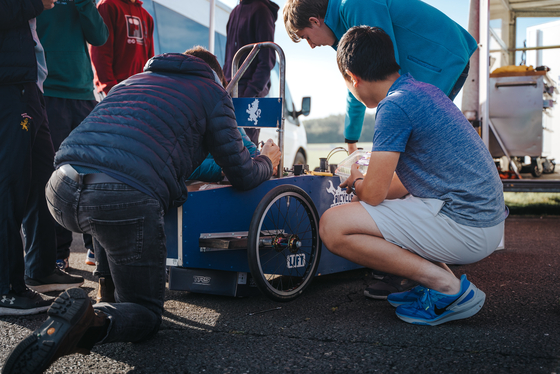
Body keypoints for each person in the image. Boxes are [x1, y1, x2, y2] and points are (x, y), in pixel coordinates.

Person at [2, 47, 281, 373]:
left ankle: (105, 292)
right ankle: (89, 320)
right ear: (217, 76)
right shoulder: (212, 92)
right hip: (120, 198)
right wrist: (267, 161)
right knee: (146, 313)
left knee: (104, 219)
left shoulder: (131, 82)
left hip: (61, 188)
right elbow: (243, 173)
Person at [319, 26, 505, 326]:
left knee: (332, 225)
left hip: (468, 225)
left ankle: (449, 290)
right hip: (483, 219)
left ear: (353, 78)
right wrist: (370, 186)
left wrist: (356, 180)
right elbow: (401, 184)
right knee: (387, 209)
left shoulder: (393, 107)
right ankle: (434, 285)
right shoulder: (422, 90)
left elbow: (375, 194)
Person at [283, 0, 477, 154]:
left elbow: (381, 70)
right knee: (413, 144)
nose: (311, 45)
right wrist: (351, 138)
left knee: (413, 143)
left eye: (307, 37)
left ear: (314, 21)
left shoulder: (355, 5)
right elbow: (358, 82)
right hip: (432, 63)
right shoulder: (345, 23)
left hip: (441, 56)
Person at [0, 0, 85, 317]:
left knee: (39, 179)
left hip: (30, 86)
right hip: (8, 87)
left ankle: (41, 268)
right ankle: (6, 289)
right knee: (9, 182)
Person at [37, 0, 109, 271]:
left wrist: (84, 5)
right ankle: (58, 252)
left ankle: (95, 246)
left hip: (83, 94)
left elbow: (99, 37)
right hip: (48, 92)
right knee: (54, 175)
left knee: (93, 172)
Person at [223, 0, 280, 145]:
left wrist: (248, 94)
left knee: (245, 148)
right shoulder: (234, 12)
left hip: (249, 95)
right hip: (230, 91)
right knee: (226, 145)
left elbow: (267, 60)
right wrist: (224, 87)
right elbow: (228, 57)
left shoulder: (262, 10)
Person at [90, 0, 154, 96]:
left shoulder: (147, 17)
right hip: (115, 90)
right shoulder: (108, 5)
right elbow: (100, 52)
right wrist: (109, 88)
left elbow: (150, 60)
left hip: (141, 90)